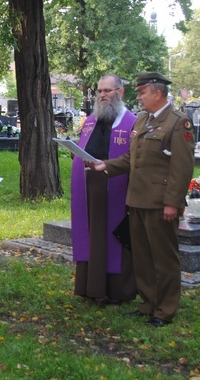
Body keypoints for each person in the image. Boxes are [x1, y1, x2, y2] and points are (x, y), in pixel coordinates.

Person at [90, 72, 195, 327]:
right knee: (143, 257)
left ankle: (165, 310)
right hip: (136, 199)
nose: (138, 97)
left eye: (142, 92)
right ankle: (148, 303)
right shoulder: (142, 121)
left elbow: (182, 169)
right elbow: (130, 159)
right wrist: (106, 165)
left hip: (160, 203)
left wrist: (173, 202)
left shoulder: (178, 123)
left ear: (158, 93)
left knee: (163, 257)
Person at [70, 74, 136, 304]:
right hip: (89, 188)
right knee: (90, 236)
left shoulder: (132, 123)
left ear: (121, 92)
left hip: (115, 189)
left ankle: (116, 291)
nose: (102, 95)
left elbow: (134, 159)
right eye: (99, 91)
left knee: (112, 239)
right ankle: (90, 286)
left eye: (107, 91)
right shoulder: (89, 121)